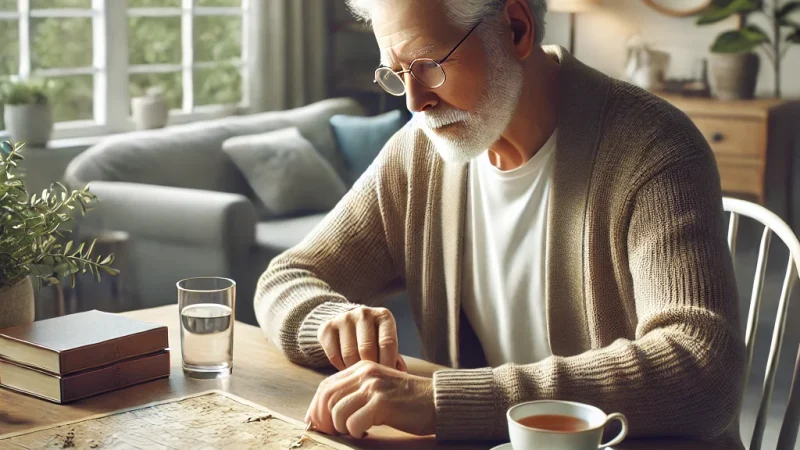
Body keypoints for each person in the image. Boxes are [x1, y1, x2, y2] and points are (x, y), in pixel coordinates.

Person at [254, 0, 745, 446]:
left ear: (515, 28)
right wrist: (332, 323)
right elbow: (286, 277)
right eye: (396, 72)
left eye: (429, 66)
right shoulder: (420, 152)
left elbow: (702, 368)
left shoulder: (653, 149)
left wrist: (443, 402)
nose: (414, 101)